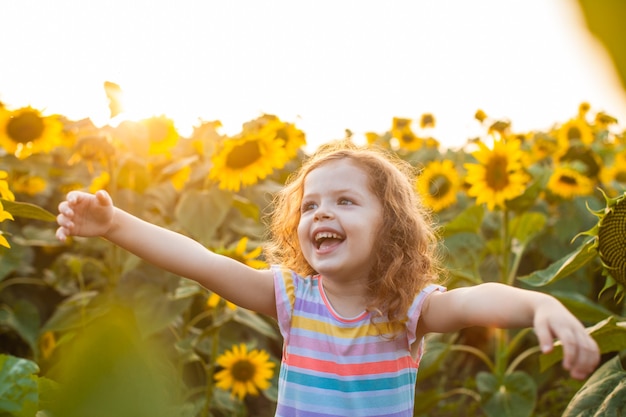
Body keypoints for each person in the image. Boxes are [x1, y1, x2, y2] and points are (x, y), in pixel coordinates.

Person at [56, 141, 600, 417]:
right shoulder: (293, 298)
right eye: (310, 204)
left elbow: (474, 300)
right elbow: (201, 260)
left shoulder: (407, 311)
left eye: (344, 201)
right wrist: (114, 224)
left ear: (389, 226)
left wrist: (537, 306)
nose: (321, 213)